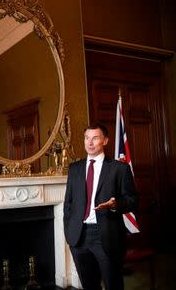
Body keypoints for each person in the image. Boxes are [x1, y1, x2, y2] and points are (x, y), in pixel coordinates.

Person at [63, 122, 138, 290]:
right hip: (79, 237)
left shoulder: (119, 168)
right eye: (87, 138)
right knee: (89, 285)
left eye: (95, 138)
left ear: (105, 141)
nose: (89, 143)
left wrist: (115, 204)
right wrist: (69, 233)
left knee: (113, 285)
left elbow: (133, 200)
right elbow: (68, 204)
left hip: (106, 235)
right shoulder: (74, 168)